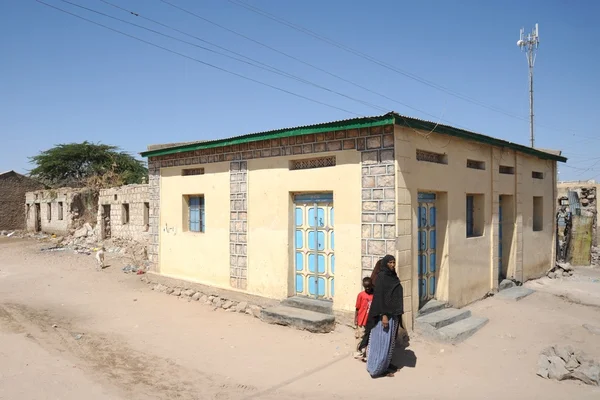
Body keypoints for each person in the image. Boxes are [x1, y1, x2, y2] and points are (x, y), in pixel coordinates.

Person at [358, 254, 404, 378]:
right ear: (384, 264)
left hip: (393, 314)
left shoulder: (392, 276)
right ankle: (377, 369)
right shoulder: (381, 277)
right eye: (390, 263)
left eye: (394, 262)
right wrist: (383, 315)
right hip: (383, 316)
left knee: (389, 342)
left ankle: (386, 364)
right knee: (381, 342)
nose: (392, 265)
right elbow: (379, 297)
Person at [353, 277, 374, 360]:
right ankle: (358, 352)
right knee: (360, 336)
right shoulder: (361, 295)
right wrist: (355, 319)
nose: (367, 288)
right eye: (366, 287)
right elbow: (357, 308)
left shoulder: (374, 295)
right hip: (362, 319)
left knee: (368, 336)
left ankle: (366, 353)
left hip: (370, 320)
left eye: (369, 286)